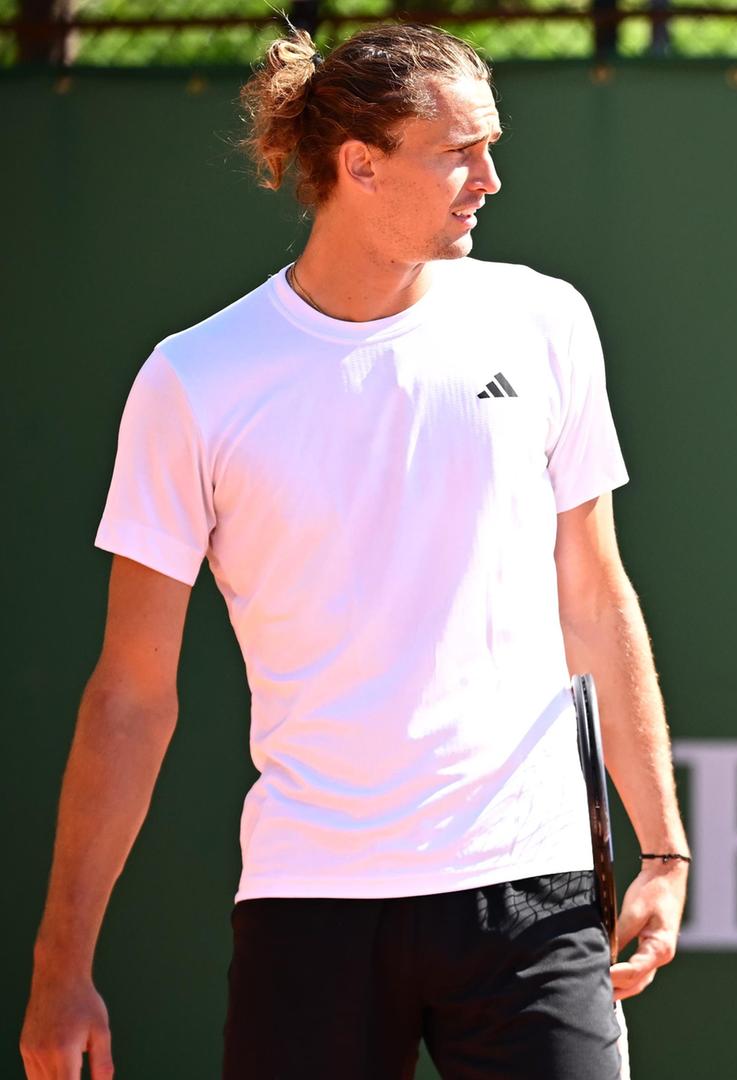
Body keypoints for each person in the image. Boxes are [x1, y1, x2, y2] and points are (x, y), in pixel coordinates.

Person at [18, 23, 687, 1080]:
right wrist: (62, 968)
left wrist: (663, 845)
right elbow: (131, 693)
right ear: (358, 164)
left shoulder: (545, 321)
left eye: (492, 143)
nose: (491, 176)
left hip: (534, 890)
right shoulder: (196, 381)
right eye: (458, 149)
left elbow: (594, 594)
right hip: (310, 907)